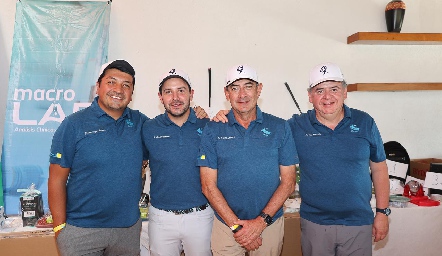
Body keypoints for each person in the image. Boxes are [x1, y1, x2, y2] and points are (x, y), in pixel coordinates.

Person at [287, 62, 390, 256]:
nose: (327, 97)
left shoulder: (364, 122)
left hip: (358, 222)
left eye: (334, 89)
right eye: (319, 90)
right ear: (310, 96)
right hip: (315, 223)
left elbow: (379, 168)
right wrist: (227, 115)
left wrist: (382, 213)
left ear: (345, 92)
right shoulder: (296, 126)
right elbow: (263, 132)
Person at [197, 64, 299, 255]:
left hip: (269, 224)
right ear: (226, 94)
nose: (242, 94)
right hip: (226, 226)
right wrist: (238, 228)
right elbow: (207, 186)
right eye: (235, 88)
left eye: (248, 86)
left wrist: (260, 223)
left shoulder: (280, 127)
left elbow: (289, 182)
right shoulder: (213, 129)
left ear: (259, 89)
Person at [48, 60, 146, 256]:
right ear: (98, 87)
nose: (118, 89)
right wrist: (60, 229)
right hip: (81, 231)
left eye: (126, 85)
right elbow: (56, 179)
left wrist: (201, 115)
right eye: (111, 82)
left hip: (127, 231)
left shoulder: (142, 124)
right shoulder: (73, 125)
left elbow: (173, 131)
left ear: (132, 93)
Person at [141, 69, 214, 256]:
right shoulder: (148, 128)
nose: (175, 97)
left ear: (191, 94)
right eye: (168, 92)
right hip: (161, 218)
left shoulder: (208, 126)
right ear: (160, 96)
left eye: (181, 90)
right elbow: (139, 168)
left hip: (201, 216)